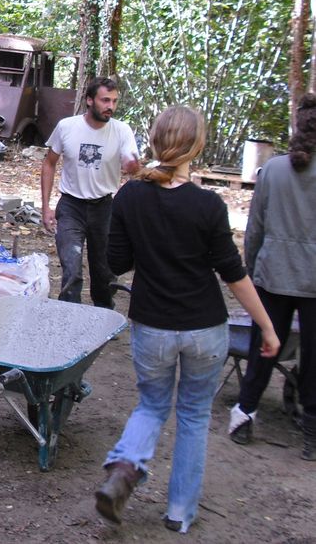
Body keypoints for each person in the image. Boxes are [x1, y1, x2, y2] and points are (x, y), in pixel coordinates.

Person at [95, 105, 279, 534]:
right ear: (197, 145)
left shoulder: (130, 196)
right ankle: (179, 513)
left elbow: (115, 264)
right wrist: (266, 326)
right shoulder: (208, 205)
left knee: (152, 405)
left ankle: (125, 469)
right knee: (194, 416)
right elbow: (234, 274)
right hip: (204, 328)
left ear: (156, 142)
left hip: (153, 327)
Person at [229, 94, 316, 460]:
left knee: (263, 346)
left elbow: (255, 229)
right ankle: (311, 426)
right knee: (313, 355)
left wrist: (252, 267)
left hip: (272, 273)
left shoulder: (273, 171)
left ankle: (245, 413)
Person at [41, 76, 140, 308]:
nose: (110, 107)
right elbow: (49, 163)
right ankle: (68, 315)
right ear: (89, 100)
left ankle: (103, 315)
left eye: (114, 101)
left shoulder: (122, 130)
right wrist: (46, 207)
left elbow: (132, 164)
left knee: (103, 270)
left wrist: (133, 166)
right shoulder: (67, 127)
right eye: (105, 100)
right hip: (71, 206)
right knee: (71, 267)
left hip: (104, 207)